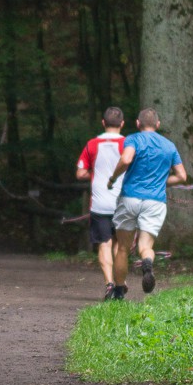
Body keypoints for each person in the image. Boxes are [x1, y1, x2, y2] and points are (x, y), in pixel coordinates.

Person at [106, 108, 187, 300]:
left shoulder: (133, 139)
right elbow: (182, 176)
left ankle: (118, 292)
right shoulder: (169, 145)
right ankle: (147, 262)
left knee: (123, 248)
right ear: (158, 125)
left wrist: (113, 178)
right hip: (155, 202)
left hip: (130, 198)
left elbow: (126, 159)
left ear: (137, 123)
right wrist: (161, 181)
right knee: (145, 246)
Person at [76, 107, 125, 299]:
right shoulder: (129, 144)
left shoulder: (92, 144)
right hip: (123, 203)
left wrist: (95, 174)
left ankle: (109, 284)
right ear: (122, 124)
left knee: (104, 244)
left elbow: (80, 172)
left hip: (99, 204)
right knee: (120, 244)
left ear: (103, 123)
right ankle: (121, 282)